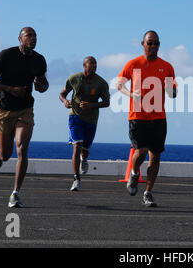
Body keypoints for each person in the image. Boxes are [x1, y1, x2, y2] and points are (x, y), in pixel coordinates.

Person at [0, 27, 49, 208]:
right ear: (20, 38)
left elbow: (44, 84)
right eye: (29, 35)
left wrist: (41, 85)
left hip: (25, 109)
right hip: (4, 108)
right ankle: (0, 154)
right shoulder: (6, 55)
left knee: (22, 147)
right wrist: (11, 90)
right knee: (6, 154)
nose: (33, 38)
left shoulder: (39, 60)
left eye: (35, 35)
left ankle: (15, 193)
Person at [117, 30, 177, 207]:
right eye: (149, 43)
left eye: (156, 43)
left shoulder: (166, 66)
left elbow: (174, 92)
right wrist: (131, 94)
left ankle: (148, 193)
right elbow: (119, 84)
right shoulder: (133, 64)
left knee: (155, 156)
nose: (153, 46)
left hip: (158, 117)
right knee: (141, 151)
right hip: (137, 116)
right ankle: (134, 173)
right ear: (142, 44)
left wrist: (171, 90)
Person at [59, 56, 110, 191]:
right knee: (77, 146)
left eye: (95, 64)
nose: (93, 66)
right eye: (91, 63)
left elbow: (106, 102)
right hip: (75, 117)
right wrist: (65, 101)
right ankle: (76, 179)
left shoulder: (101, 83)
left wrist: (91, 105)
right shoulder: (74, 79)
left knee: (85, 149)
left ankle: (84, 159)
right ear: (84, 65)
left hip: (91, 120)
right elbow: (62, 94)